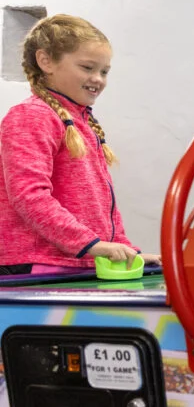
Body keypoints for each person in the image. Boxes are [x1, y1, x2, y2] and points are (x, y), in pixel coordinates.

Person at [0, 14, 160, 275]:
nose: (98, 78)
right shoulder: (31, 116)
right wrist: (91, 245)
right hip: (37, 264)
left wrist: (125, 250)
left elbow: (101, 206)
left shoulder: (80, 122)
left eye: (104, 71)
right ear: (46, 61)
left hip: (78, 260)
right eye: (87, 68)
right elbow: (29, 195)